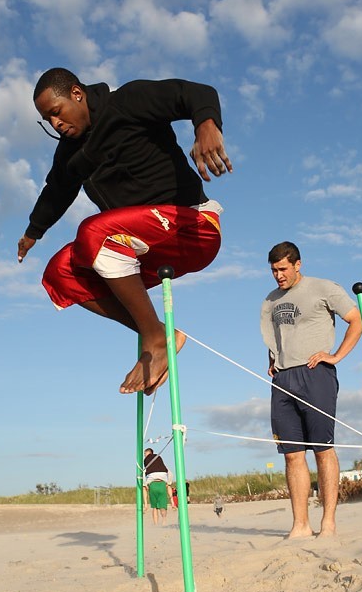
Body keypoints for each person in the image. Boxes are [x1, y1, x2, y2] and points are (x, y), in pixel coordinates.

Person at [17, 68, 232, 395]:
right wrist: (33, 232)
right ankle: (159, 334)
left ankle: (155, 341)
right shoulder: (70, 152)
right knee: (60, 273)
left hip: (190, 226)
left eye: (56, 112)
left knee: (93, 231)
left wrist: (206, 125)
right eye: (47, 120)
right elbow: (57, 190)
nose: (55, 124)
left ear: (77, 94)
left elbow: (192, 93)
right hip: (142, 246)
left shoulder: (127, 102)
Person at [260, 241, 362, 538]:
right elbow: (276, 335)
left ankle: (328, 523)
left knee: (322, 448)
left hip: (315, 374)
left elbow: (355, 321)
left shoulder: (323, 287)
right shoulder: (269, 300)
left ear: (297, 264)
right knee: (291, 454)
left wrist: (336, 356)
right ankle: (300, 525)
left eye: (282, 269)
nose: (278, 275)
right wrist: (272, 358)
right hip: (282, 380)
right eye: (273, 270)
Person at [143, 448, 173, 525]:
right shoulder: (158, 457)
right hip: (162, 478)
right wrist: (168, 482)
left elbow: (146, 471)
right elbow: (167, 471)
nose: (144, 456)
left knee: (154, 507)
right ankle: (164, 520)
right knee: (163, 506)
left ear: (148, 453)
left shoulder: (146, 460)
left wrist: (145, 484)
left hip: (152, 480)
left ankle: (146, 505)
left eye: (145, 454)